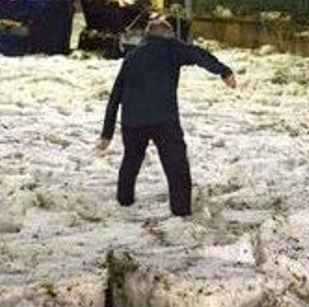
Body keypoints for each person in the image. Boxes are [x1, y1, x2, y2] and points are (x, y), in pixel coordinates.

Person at [96, 17, 237, 216]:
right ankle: (181, 210)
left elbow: (115, 96)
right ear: (170, 36)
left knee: (131, 160)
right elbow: (198, 55)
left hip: (133, 120)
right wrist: (224, 72)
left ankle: (124, 201)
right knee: (176, 164)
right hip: (163, 119)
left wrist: (106, 134)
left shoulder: (132, 56)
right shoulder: (172, 48)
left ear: (147, 36)